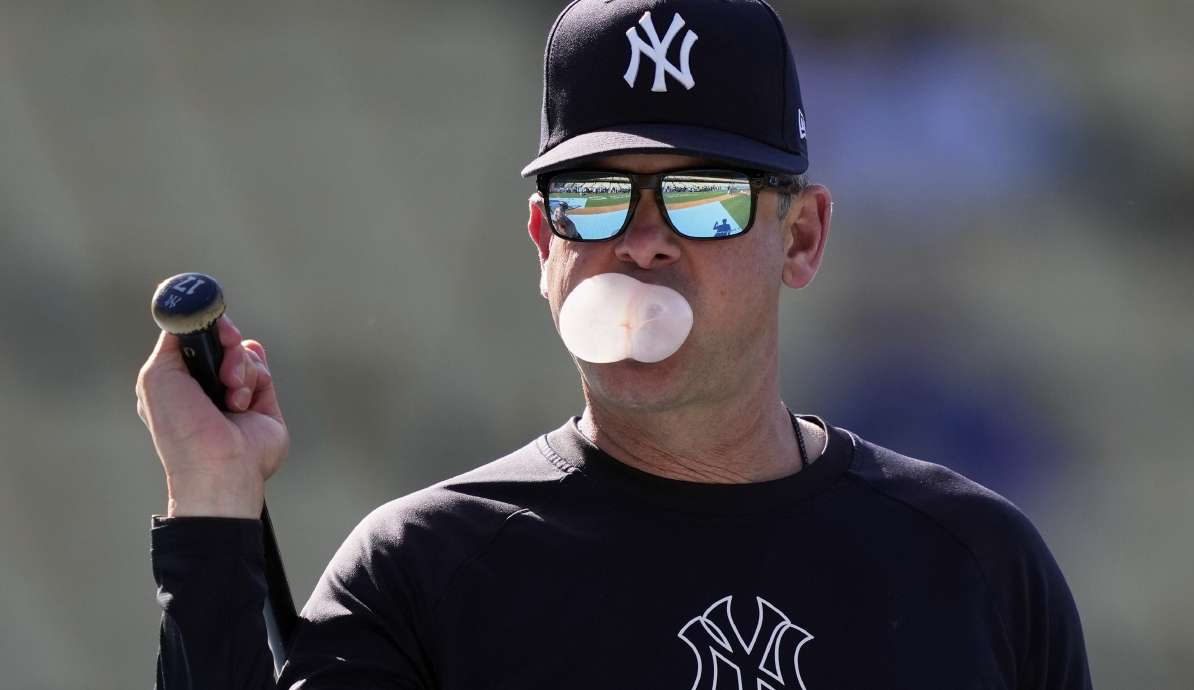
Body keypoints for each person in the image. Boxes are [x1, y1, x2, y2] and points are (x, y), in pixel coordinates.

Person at [135, 1, 1093, 688]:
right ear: (545, 243)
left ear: (800, 238)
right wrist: (214, 504)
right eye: (593, 197)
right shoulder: (428, 569)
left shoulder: (973, 563)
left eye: (704, 195)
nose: (643, 239)